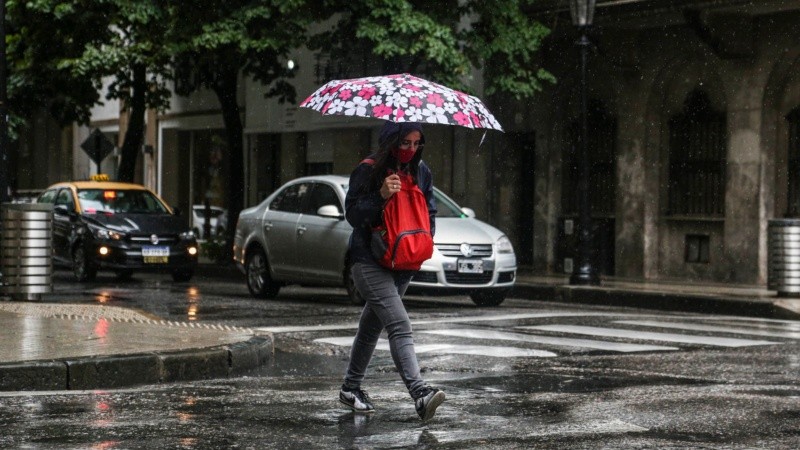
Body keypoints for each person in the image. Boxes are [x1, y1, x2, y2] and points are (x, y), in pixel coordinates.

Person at [339, 121, 445, 421]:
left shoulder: (422, 172)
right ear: (390, 142)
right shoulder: (368, 169)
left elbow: (430, 211)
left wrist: (421, 240)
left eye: (416, 143)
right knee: (399, 324)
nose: (411, 149)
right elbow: (353, 215)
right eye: (405, 143)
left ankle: (350, 388)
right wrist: (381, 195)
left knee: (372, 327)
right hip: (369, 261)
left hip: (404, 262)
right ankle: (420, 393)